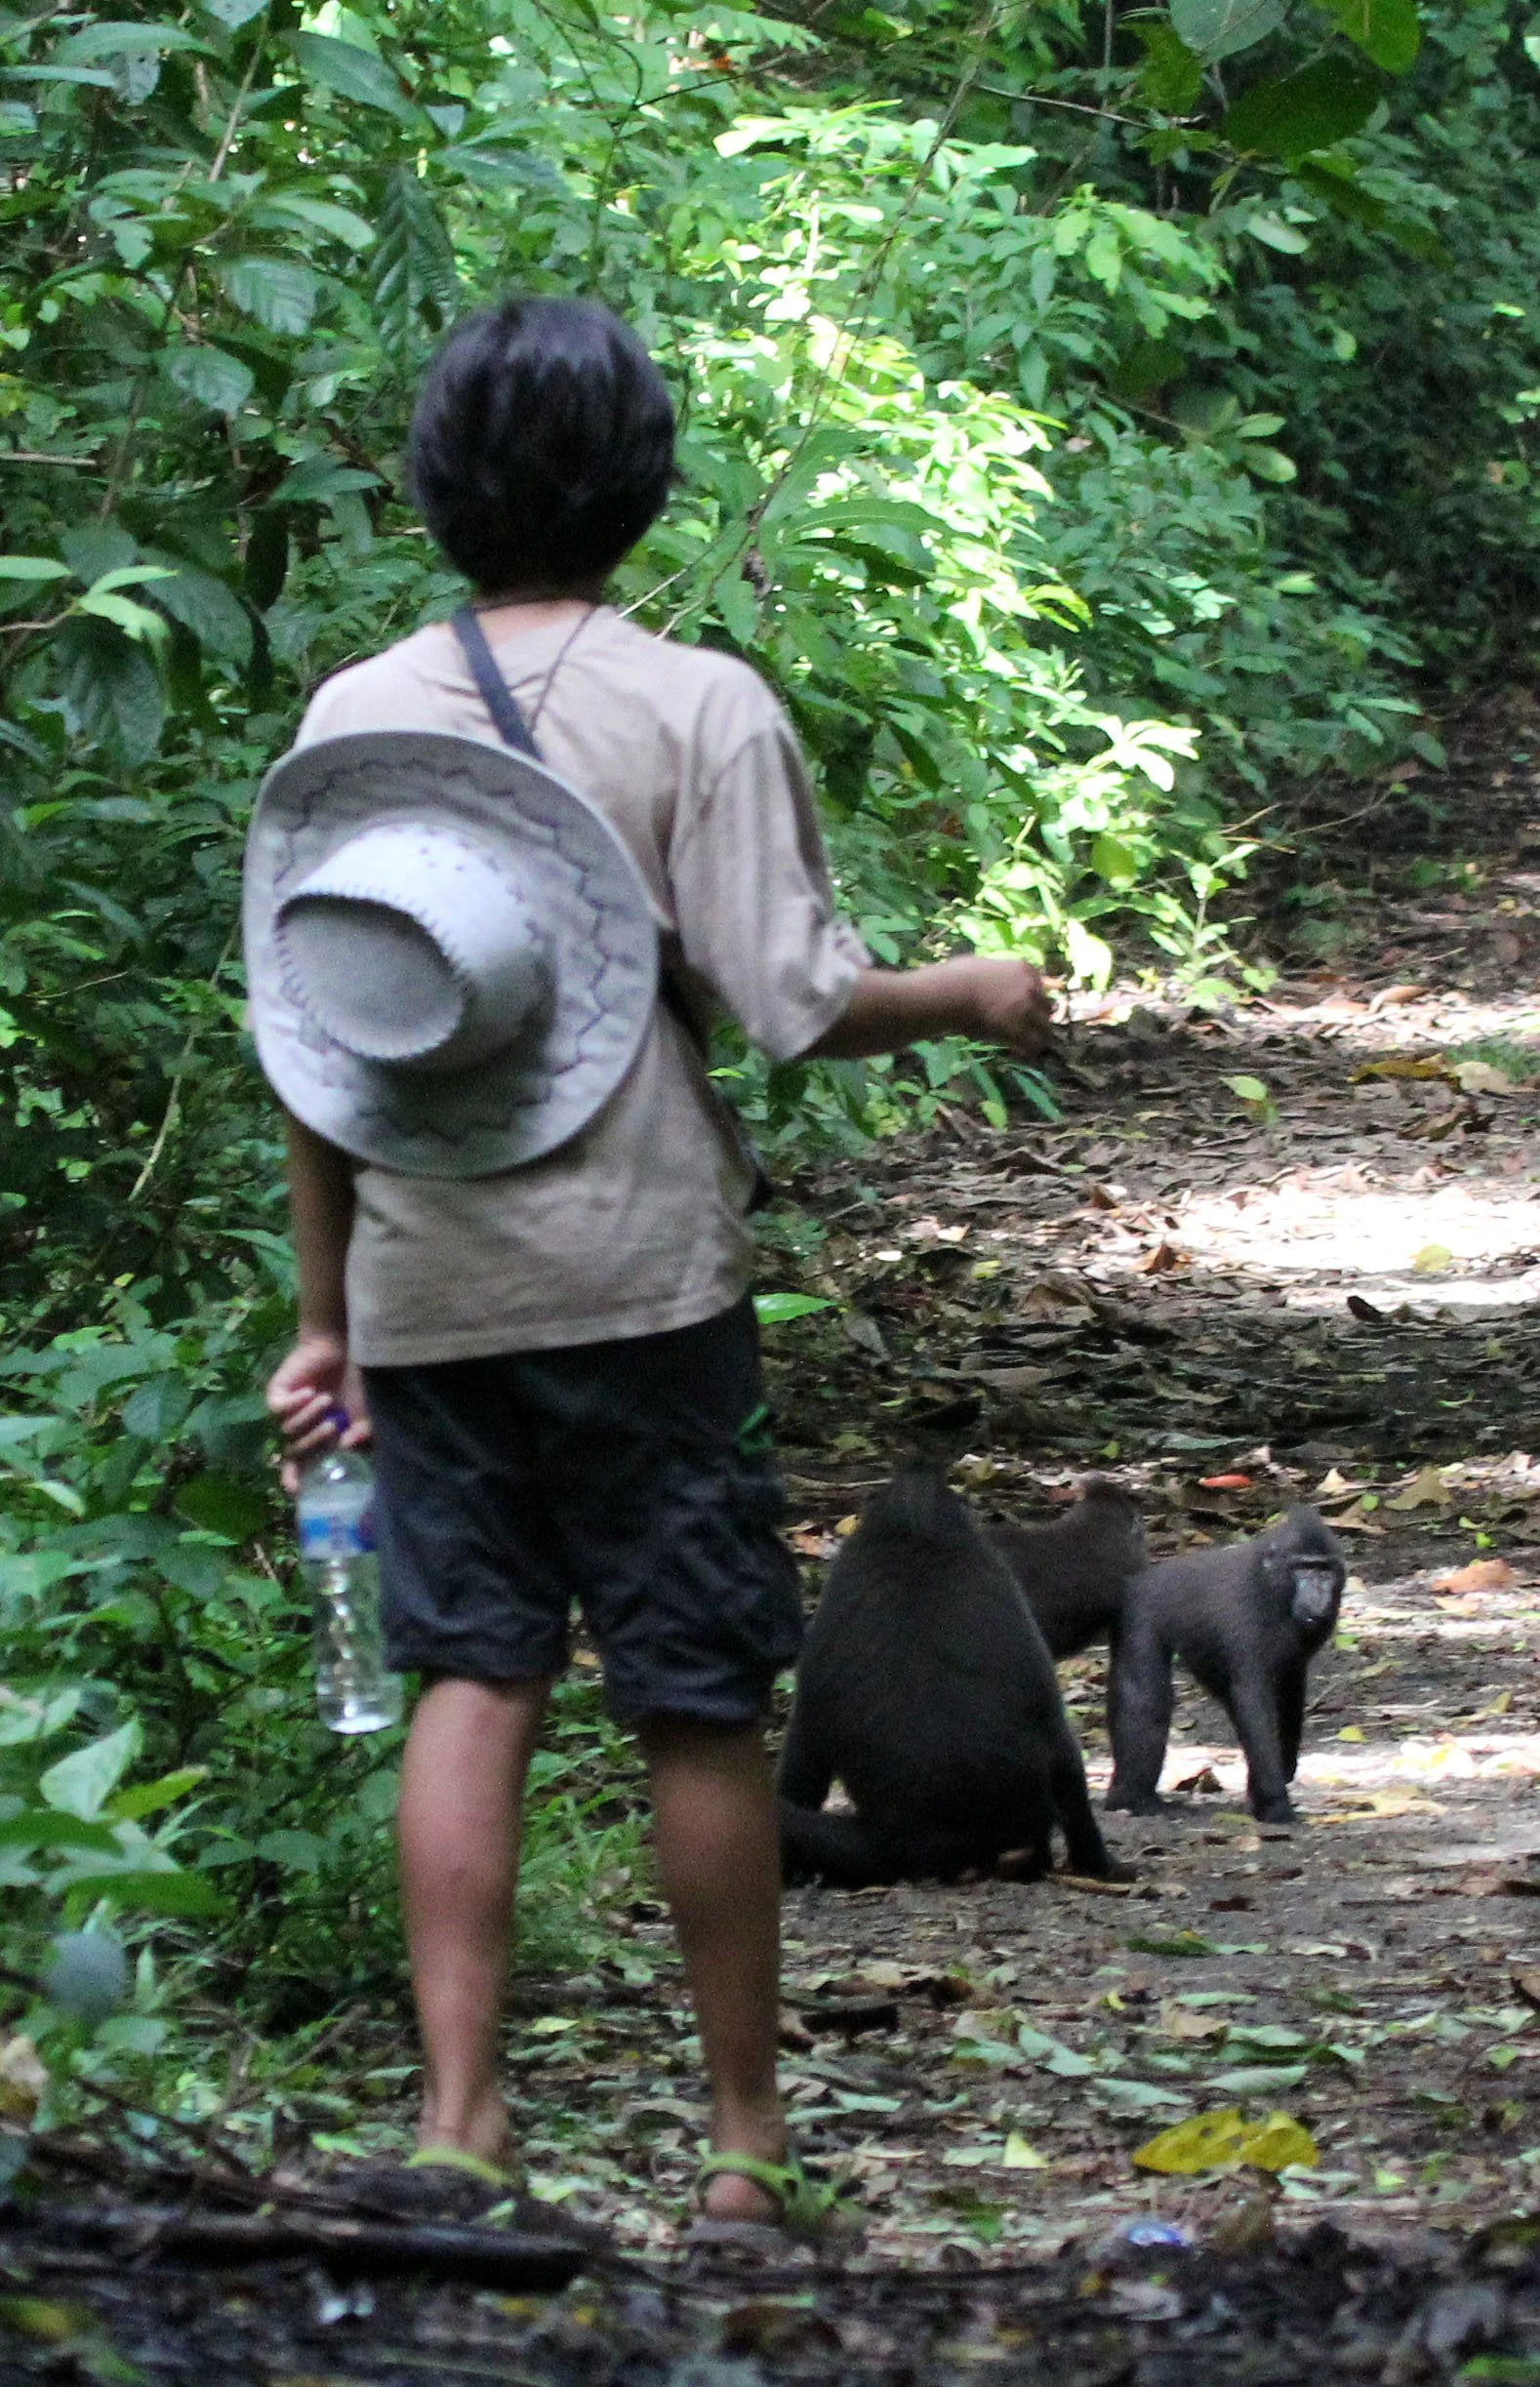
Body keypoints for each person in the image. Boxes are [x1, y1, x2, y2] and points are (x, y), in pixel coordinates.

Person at [258, 293, 1051, 2243]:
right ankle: (744, 2147)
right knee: (697, 1697)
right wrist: (978, 990)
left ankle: (459, 2122)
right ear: (641, 482)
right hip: (643, 1274)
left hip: (432, 1279)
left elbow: (317, 1040)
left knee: (471, 1673)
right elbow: (793, 1002)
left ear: (440, 483)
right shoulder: (701, 702)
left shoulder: (348, 720)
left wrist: (325, 1311)